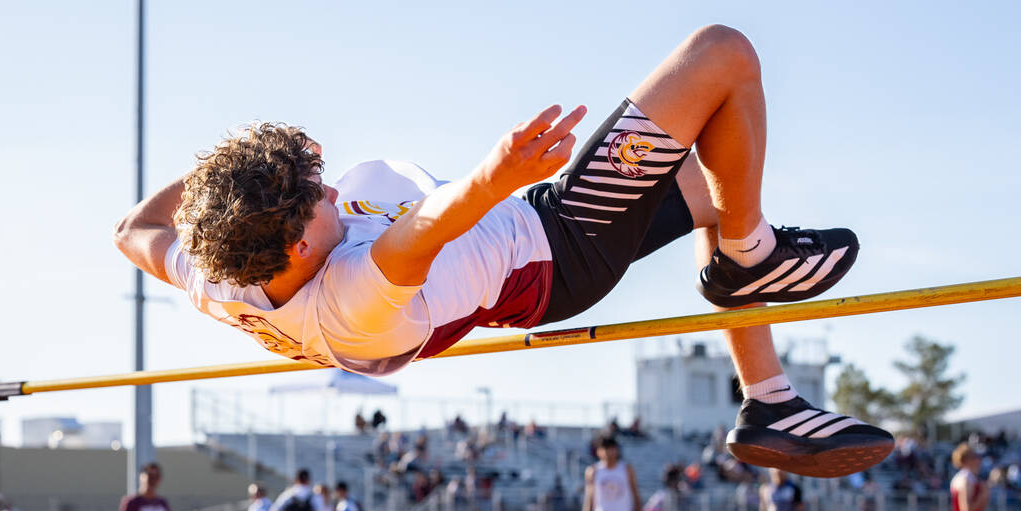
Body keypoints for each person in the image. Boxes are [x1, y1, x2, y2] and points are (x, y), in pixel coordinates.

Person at [114, 25, 895, 480]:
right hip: (560, 246)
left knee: (713, 173)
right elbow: (426, 229)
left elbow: (133, 231)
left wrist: (246, 171)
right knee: (720, 54)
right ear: (291, 243)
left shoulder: (220, 277)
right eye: (312, 198)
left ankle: (770, 401)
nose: (326, 194)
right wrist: (498, 175)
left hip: (538, 239)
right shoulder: (351, 294)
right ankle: (751, 254)